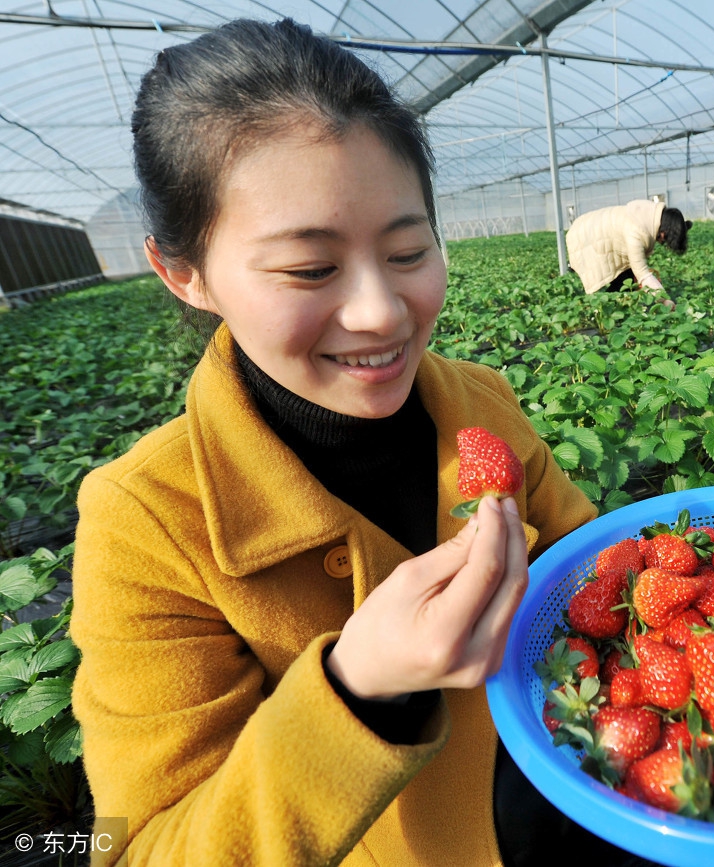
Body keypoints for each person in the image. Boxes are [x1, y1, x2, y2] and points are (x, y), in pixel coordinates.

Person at [68, 19, 649, 867]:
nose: (381, 310)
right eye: (309, 269)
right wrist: (357, 690)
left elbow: (588, 567)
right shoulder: (146, 521)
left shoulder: (479, 399)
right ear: (183, 273)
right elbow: (142, 850)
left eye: (409, 249)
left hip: (600, 788)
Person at [565, 199, 690, 310]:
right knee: (624, 278)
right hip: (584, 237)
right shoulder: (635, 232)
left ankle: (609, 305)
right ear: (664, 231)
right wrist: (665, 301)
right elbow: (642, 274)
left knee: (627, 277)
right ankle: (596, 309)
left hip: (592, 230)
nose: (662, 242)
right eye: (665, 240)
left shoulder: (648, 216)